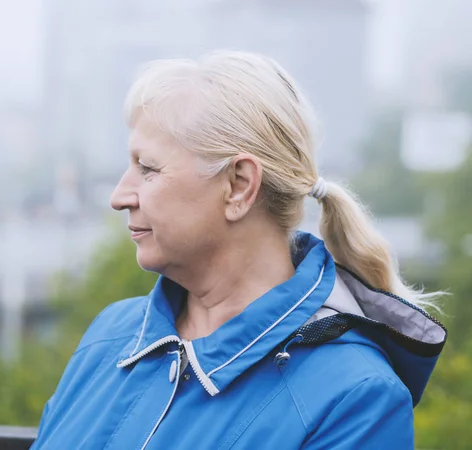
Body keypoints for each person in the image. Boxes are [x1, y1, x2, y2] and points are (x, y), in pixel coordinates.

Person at [30, 50, 447, 449]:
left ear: (239, 185)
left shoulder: (355, 400)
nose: (120, 195)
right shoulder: (110, 336)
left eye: (148, 168)